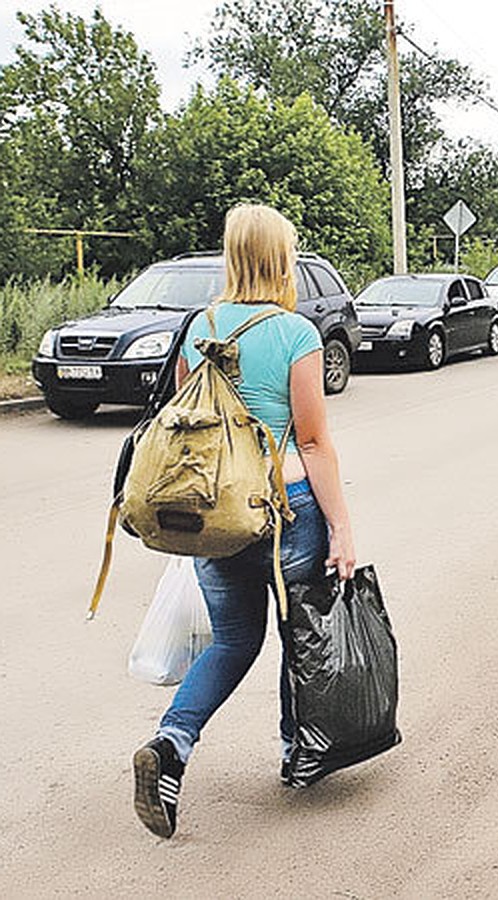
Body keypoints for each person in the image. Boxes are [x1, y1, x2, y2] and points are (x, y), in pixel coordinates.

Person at [132, 204, 356, 839]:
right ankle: (299, 752)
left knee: (233, 641)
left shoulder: (199, 325)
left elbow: (192, 424)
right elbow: (313, 443)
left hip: (216, 515)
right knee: (300, 635)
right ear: (281, 259)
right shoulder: (295, 335)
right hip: (287, 509)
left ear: (232, 257)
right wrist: (341, 526)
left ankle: (172, 744)